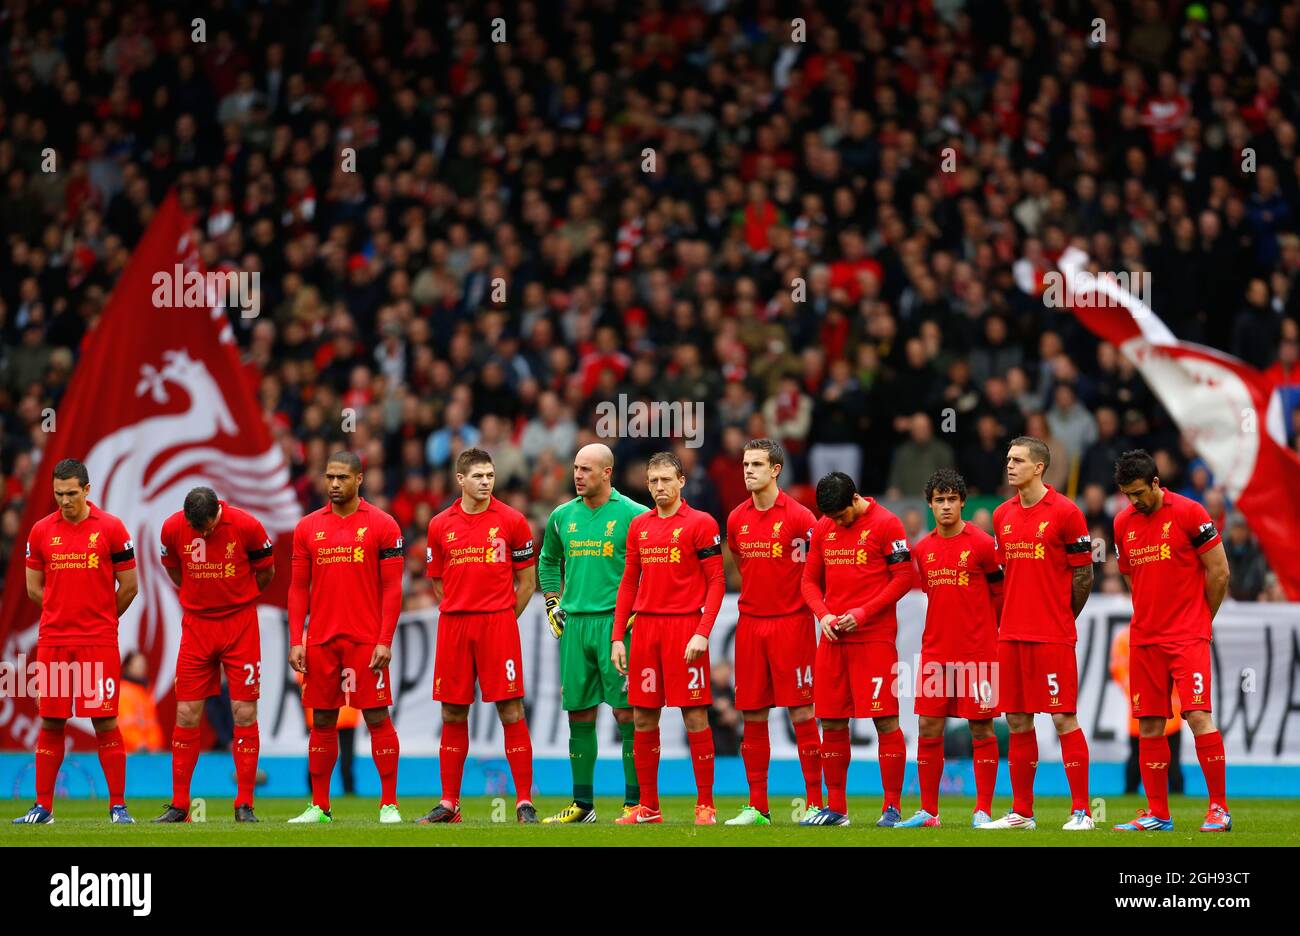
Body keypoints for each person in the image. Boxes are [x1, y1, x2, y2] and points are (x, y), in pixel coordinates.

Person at [1110, 449, 1232, 832]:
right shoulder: (1121, 523)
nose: (1134, 501)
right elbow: (1132, 578)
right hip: (1145, 638)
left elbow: (1220, 572)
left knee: (1197, 715)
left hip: (1186, 636)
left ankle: (1219, 809)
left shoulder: (1191, 513)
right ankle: (1158, 813)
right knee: (1148, 724)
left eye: (1139, 493)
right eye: (1127, 494)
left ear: (1156, 483)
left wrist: (1200, 620)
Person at [14, 458, 139, 825]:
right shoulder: (40, 531)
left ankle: (118, 807)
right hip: (53, 640)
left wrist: (99, 619)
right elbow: (34, 589)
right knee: (51, 722)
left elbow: (129, 587)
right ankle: (43, 808)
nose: (64, 501)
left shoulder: (112, 529)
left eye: (70, 493)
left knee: (104, 720)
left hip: (98, 641)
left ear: (87, 490)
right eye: (58, 494)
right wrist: (62, 614)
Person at [979, 437, 1095, 831]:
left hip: (1052, 635)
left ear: (1039, 467)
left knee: (1064, 718)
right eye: (1008, 459)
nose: (1009, 466)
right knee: (1017, 722)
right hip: (1011, 635)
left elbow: (1084, 574)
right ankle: (1022, 813)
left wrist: (1063, 619)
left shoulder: (1066, 512)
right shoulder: (1001, 515)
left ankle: (1081, 812)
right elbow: (1004, 575)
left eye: (1017, 460)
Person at [420, 448, 538, 824]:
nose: (486, 482)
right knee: (452, 709)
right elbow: (438, 581)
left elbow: (527, 582)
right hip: (454, 625)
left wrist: (503, 617)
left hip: (497, 625)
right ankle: (450, 804)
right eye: (478, 476)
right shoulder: (440, 524)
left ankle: (523, 803)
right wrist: (461, 607)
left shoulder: (513, 520)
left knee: (511, 708)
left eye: (490, 475)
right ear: (461, 479)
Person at [287, 452, 404, 824]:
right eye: (329, 477)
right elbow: (297, 589)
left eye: (342, 477)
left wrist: (385, 639)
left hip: (366, 641)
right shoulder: (307, 528)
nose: (334, 483)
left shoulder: (383, 525)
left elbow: (393, 589)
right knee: (322, 720)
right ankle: (320, 806)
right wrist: (296, 640)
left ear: (359, 479)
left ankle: (389, 804)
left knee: (376, 717)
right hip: (321, 640)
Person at [611, 451, 725, 825]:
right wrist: (617, 637)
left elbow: (716, 582)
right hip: (645, 631)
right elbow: (629, 582)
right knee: (642, 718)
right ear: (646, 484)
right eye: (653, 481)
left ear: (681, 481)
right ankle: (649, 808)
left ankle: (705, 805)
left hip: (684, 630)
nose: (660, 487)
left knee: (694, 715)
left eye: (666, 479)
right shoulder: (639, 526)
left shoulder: (701, 523)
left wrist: (702, 632)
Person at [537, 443, 647, 824]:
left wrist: (638, 610)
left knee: (627, 713)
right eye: (576, 468)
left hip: (618, 628)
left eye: (586, 469)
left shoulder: (635, 515)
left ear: (607, 473)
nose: (578, 475)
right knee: (579, 715)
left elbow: (654, 567)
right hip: (575, 626)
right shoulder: (561, 516)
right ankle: (582, 805)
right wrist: (552, 601)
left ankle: (636, 803)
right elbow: (548, 560)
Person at [799, 471, 915, 827]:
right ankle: (836, 808)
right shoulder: (823, 528)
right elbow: (808, 580)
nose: (836, 522)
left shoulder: (887, 524)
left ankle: (892, 808)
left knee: (884, 719)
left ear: (855, 499)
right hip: (833, 638)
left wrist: (862, 613)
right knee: (832, 719)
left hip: (875, 638)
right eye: (830, 517)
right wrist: (822, 615)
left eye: (841, 515)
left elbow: (904, 578)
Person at [153, 486, 275, 823]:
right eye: (197, 530)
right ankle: (180, 805)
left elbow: (267, 572)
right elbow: (174, 569)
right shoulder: (172, 528)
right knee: (187, 712)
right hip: (197, 627)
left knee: (244, 711)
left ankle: (245, 804)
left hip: (240, 625)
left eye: (207, 528)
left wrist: (238, 597)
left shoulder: (247, 526)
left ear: (217, 512)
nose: (203, 534)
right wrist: (199, 594)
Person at [723, 438, 822, 826]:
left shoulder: (800, 518)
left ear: (776, 469)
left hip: (792, 624)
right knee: (752, 713)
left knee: (802, 710)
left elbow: (817, 571)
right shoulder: (736, 518)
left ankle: (815, 803)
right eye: (745, 464)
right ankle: (758, 807)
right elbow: (739, 561)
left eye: (757, 465)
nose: (748, 471)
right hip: (750, 625)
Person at [900, 469, 1003, 829]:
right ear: (930, 505)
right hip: (936, 653)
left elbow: (999, 592)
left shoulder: (982, 544)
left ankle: (983, 810)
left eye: (951, 500)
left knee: (981, 728)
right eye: (939, 500)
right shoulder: (923, 549)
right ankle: (929, 811)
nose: (945, 506)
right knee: (928, 725)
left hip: (978, 652)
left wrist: (992, 634)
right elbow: (932, 593)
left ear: (963, 502)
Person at [1109, 626, 1183, 796]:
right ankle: (1141, 792)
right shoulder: (1126, 637)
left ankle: (1138, 793)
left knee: (1148, 757)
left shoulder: (1125, 636)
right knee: (1148, 757)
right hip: (1159, 709)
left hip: (1152, 708)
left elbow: (1118, 670)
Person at [117, 652, 163, 753]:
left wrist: (154, 745)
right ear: (128, 667)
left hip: (148, 752)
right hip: (129, 752)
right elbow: (123, 726)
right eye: (138, 665)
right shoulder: (122, 691)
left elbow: (152, 724)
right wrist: (139, 745)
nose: (142, 669)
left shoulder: (146, 692)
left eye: (143, 665)